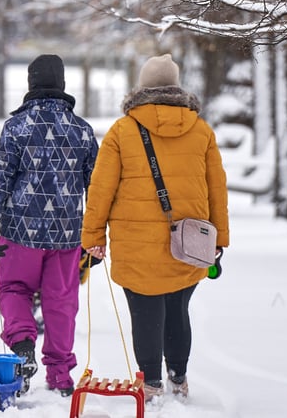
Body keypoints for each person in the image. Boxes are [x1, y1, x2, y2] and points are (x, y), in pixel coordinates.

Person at [81, 54, 230, 404]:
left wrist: (92, 237)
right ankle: (178, 377)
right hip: (190, 241)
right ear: (176, 87)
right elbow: (216, 187)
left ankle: (150, 384)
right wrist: (220, 237)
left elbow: (101, 188)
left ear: (142, 87)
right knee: (178, 307)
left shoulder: (122, 131)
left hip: (136, 243)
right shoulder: (201, 129)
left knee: (145, 312)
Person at [0, 54, 99, 396]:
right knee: (61, 302)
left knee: (14, 289)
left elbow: (1, 176)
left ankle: (23, 344)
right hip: (67, 234)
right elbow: (98, 189)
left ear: (31, 83)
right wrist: (96, 234)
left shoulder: (16, 127)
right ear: (62, 84)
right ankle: (59, 376)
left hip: (20, 232)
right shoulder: (83, 131)